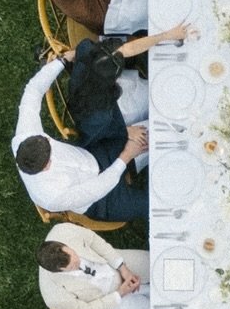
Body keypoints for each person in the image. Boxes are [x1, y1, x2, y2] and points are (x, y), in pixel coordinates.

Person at [12, 56, 149, 222]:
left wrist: (61, 61)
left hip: (96, 155)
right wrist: (126, 155)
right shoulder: (52, 196)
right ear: (46, 166)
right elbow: (97, 189)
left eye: (47, 141)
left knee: (154, 133)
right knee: (151, 204)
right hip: (102, 202)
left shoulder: (25, 135)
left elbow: (33, 90)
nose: (51, 144)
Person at [37, 225, 151, 309]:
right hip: (107, 305)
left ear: (63, 244)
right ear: (58, 271)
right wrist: (119, 293)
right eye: (72, 267)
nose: (77, 261)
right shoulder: (54, 298)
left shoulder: (62, 230)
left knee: (156, 263)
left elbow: (94, 241)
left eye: (73, 254)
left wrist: (122, 268)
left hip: (111, 264)